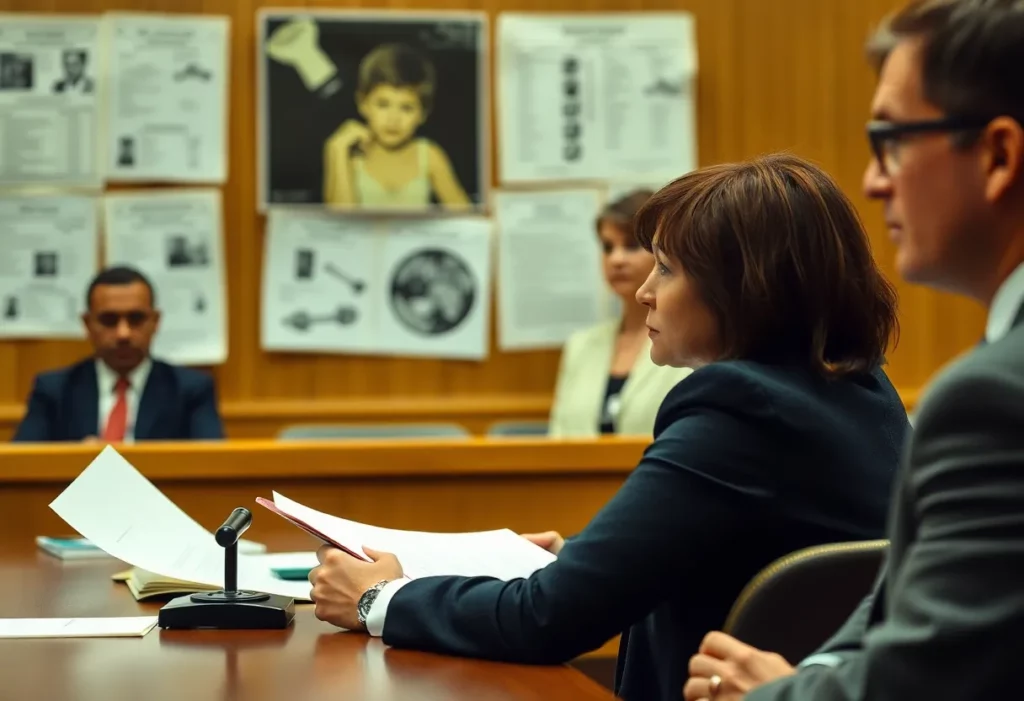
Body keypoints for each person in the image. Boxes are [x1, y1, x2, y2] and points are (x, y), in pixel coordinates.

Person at [306, 153, 911, 701]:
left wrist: (378, 598)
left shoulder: (737, 408)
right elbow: (748, 549)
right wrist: (599, 561)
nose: (644, 290)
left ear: (746, 289)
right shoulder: (863, 388)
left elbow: (548, 621)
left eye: (668, 270)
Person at [683, 2, 1024, 700]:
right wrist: (812, 676)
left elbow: (925, 681)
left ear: (997, 156)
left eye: (892, 140)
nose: (873, 181)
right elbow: (915, 589)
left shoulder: (994, 397)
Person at [12, 266, 224, 443]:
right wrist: (76, 462)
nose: (123, 333)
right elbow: (21, 466)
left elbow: (212, 464)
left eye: (136, 318)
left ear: (156, 321)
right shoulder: (54, 390)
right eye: (109, 320)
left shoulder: (191, 390)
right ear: (87, 324)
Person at [548, 189, 694, 436]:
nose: (616, 259)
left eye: (631, 245)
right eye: (607, 247)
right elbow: (558, 438)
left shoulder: (690, 343)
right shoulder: (580, 345)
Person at [323, 43, 471, 210]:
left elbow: (465, 219)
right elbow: (340, 227)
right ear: (363, 104)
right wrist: (336, 150)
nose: (393, 119)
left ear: (423, 114)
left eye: (406, 108)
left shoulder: (428, 155)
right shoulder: (350, 155)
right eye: (383, 104)